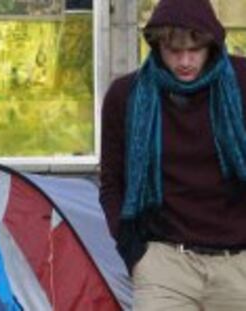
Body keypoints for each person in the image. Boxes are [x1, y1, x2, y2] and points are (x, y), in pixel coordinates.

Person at [99, 0, 246, 309]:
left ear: (212, 45)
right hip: (164, 264)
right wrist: (135, 254)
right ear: (156, 45)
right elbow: (112, 182)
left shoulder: (242, 83)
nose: (184, 61)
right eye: (174, 51)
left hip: (238, 264)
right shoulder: (126, 96)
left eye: (195, 50)